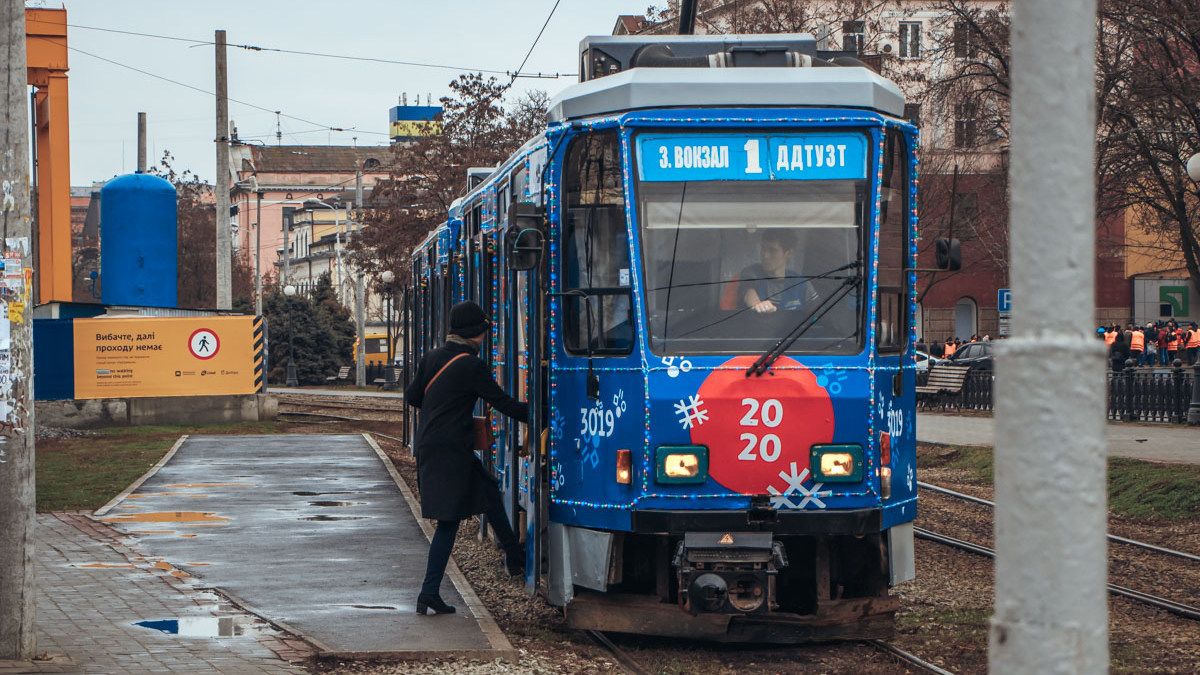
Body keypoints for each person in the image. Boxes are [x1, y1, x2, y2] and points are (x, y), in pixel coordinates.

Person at [404, 301, 529, 616]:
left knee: (489, 492)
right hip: (451, 452)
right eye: (484, 331)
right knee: (448, 523)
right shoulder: (470, 365)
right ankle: (428, 592)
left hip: (433, 446)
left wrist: (445, 405)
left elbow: (413, 397)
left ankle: (514, 557)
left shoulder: (432, 357)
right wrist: (542, 413)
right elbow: (501, 402)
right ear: (476, 332)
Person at [740, 230, 814, 313]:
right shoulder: (751, 273)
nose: (765, 255)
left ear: (788, 253)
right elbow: (749, 294)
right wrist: (758, 305)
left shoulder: (802, 284)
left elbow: (818, 314)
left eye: (772, 250)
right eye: (763, 248)